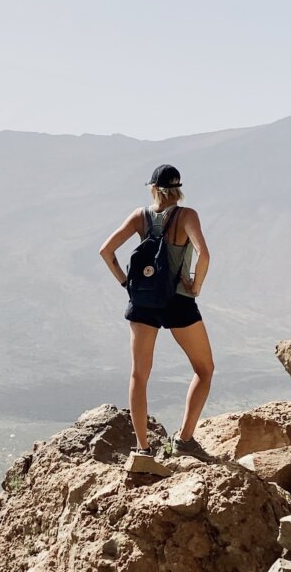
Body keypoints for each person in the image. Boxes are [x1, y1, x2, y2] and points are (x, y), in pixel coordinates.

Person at [98, 164, 214, 470]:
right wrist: (195, 286)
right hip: (178, 301)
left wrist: (126, 284)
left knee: (139, 375)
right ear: (178, 189)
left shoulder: (140, 216)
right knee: (204, 369)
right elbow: (204, 254)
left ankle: (143, 451)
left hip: (144, 301)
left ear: (152, 188)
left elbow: (106, 251)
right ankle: (185, 441)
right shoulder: (187, 216)